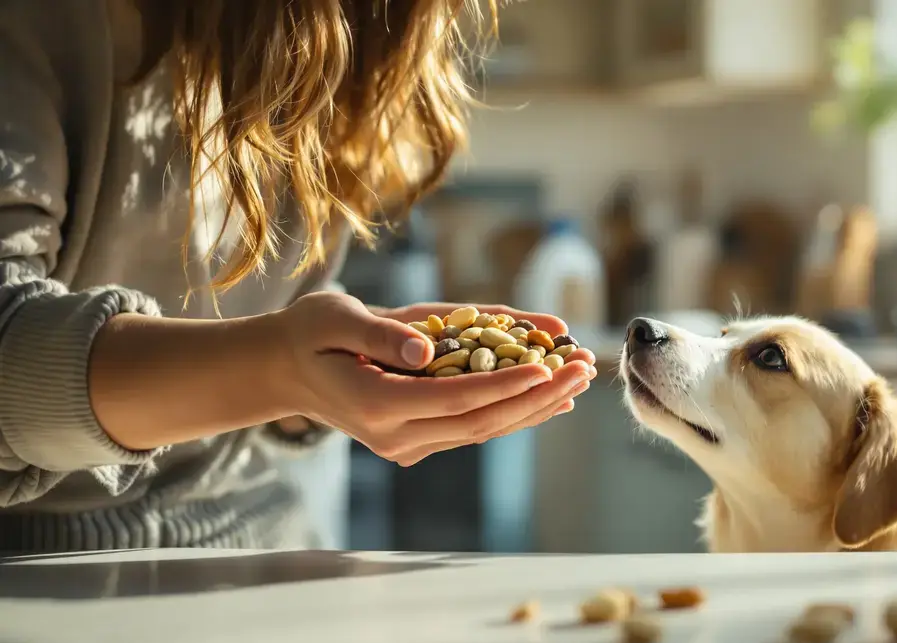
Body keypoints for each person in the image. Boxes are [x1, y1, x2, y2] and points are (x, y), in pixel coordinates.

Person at [0, 0, 597, 552]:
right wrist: (280, 367)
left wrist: (338, 367)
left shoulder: (344, 43)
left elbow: (274, 313)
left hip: (264, 542)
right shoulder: (45, 23)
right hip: (44, 566)